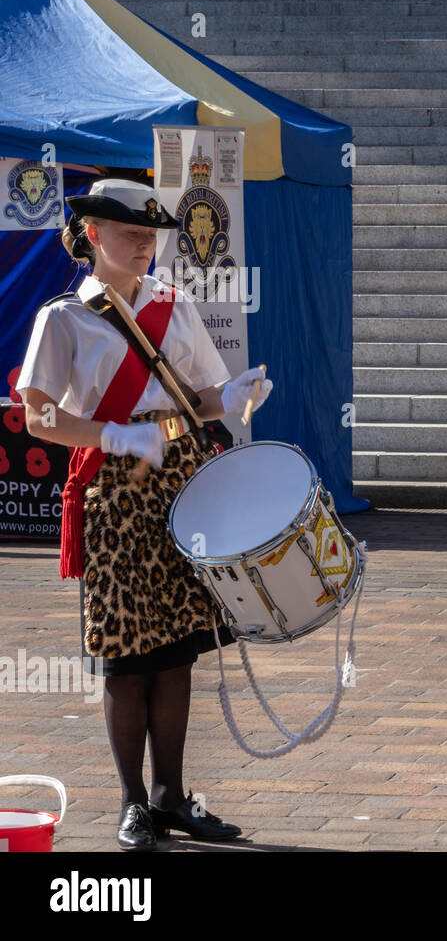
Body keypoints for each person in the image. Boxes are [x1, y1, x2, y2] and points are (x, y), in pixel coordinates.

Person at [16, 179, 272, 851]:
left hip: (182, 485)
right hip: (116, 493)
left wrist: (235, 392)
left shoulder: (174, 304)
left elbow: (201, 398)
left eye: (152, 237)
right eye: (131, 235)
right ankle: (133, 802)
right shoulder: (64, 317)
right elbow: (39, 414)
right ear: (94, 235)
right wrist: (109, 435)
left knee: (177, 652)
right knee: (128, 656)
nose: (145, 248)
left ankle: (170, 797)